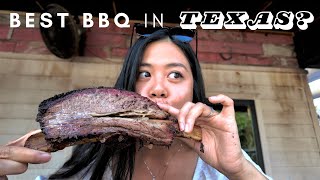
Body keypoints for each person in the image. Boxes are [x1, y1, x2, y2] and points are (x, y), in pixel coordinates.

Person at [0, 25, 272, 180]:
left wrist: (239, 171)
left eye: (175, 74)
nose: (158, 89)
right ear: (128, 86)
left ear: (194, 90)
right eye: (144, 74)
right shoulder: (94, 156)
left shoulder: (224, 160)